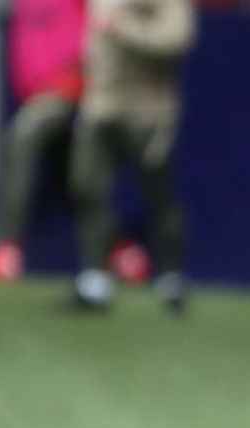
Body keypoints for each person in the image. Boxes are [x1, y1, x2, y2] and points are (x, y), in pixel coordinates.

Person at [71, 0, 195, 312]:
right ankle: (94, 279)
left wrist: (126, 29)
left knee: (159, 195)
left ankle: (171, 279)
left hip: (148, 112)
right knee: (87, 187)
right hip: (102, 106)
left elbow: (177, 39)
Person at [0, 0, 88, 283]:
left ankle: (8, 248)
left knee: (23, 136)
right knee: (72, 181)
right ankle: (120, 250)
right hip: (32, 94)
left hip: (68, 90)